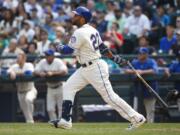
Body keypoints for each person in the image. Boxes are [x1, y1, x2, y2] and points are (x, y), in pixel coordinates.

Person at [51, 6, 146, 130]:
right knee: (69, 86)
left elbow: (68, 51)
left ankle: (137, 118)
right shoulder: (92, 30)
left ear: (82, 18)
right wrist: (115, 58)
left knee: (110, 97)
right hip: (86, 68)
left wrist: (59, 46)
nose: (73, 17)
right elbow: (103, 48)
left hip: (95, 67)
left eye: (76, 15)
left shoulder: (80, 32)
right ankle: (65, 120)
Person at [124, 47, 158, 123]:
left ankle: (150, 125)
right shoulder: (135, 62)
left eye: (142, 54)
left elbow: (154, 70)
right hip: (137, 89)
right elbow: (126, 70)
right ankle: (136, 124)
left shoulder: (151, 61)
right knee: (136, 110)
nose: (139, 55)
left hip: (149, 89)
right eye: (139, 53)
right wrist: (135, 71)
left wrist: (142, 72)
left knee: (150, 110)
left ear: (146, 54)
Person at [34, 49, 68, 122]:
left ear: (53, 56)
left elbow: (64, 71)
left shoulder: (58, 61)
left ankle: (60, 122)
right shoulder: (43, 62)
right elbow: (35, 71)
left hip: (59, 86)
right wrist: (40, 73)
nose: (47, 57)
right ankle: (54, 121)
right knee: (50, 109)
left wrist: (52, 73)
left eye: (49, 55)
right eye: (46, 55)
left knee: (60, 108)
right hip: (50, 87)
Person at [7, 53, 37, 123]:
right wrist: (11, 72)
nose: (17, 59)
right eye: (17, 58)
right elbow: (7, 72)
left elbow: (29, 73)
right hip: (20, 91)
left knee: (28, 99)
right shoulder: (14, 66)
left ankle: (31, 120)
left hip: (30, 89)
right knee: (24, 109)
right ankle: (30, 122)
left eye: (19, 58)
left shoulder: (29, 65)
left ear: (24, 59)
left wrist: (16, 73)